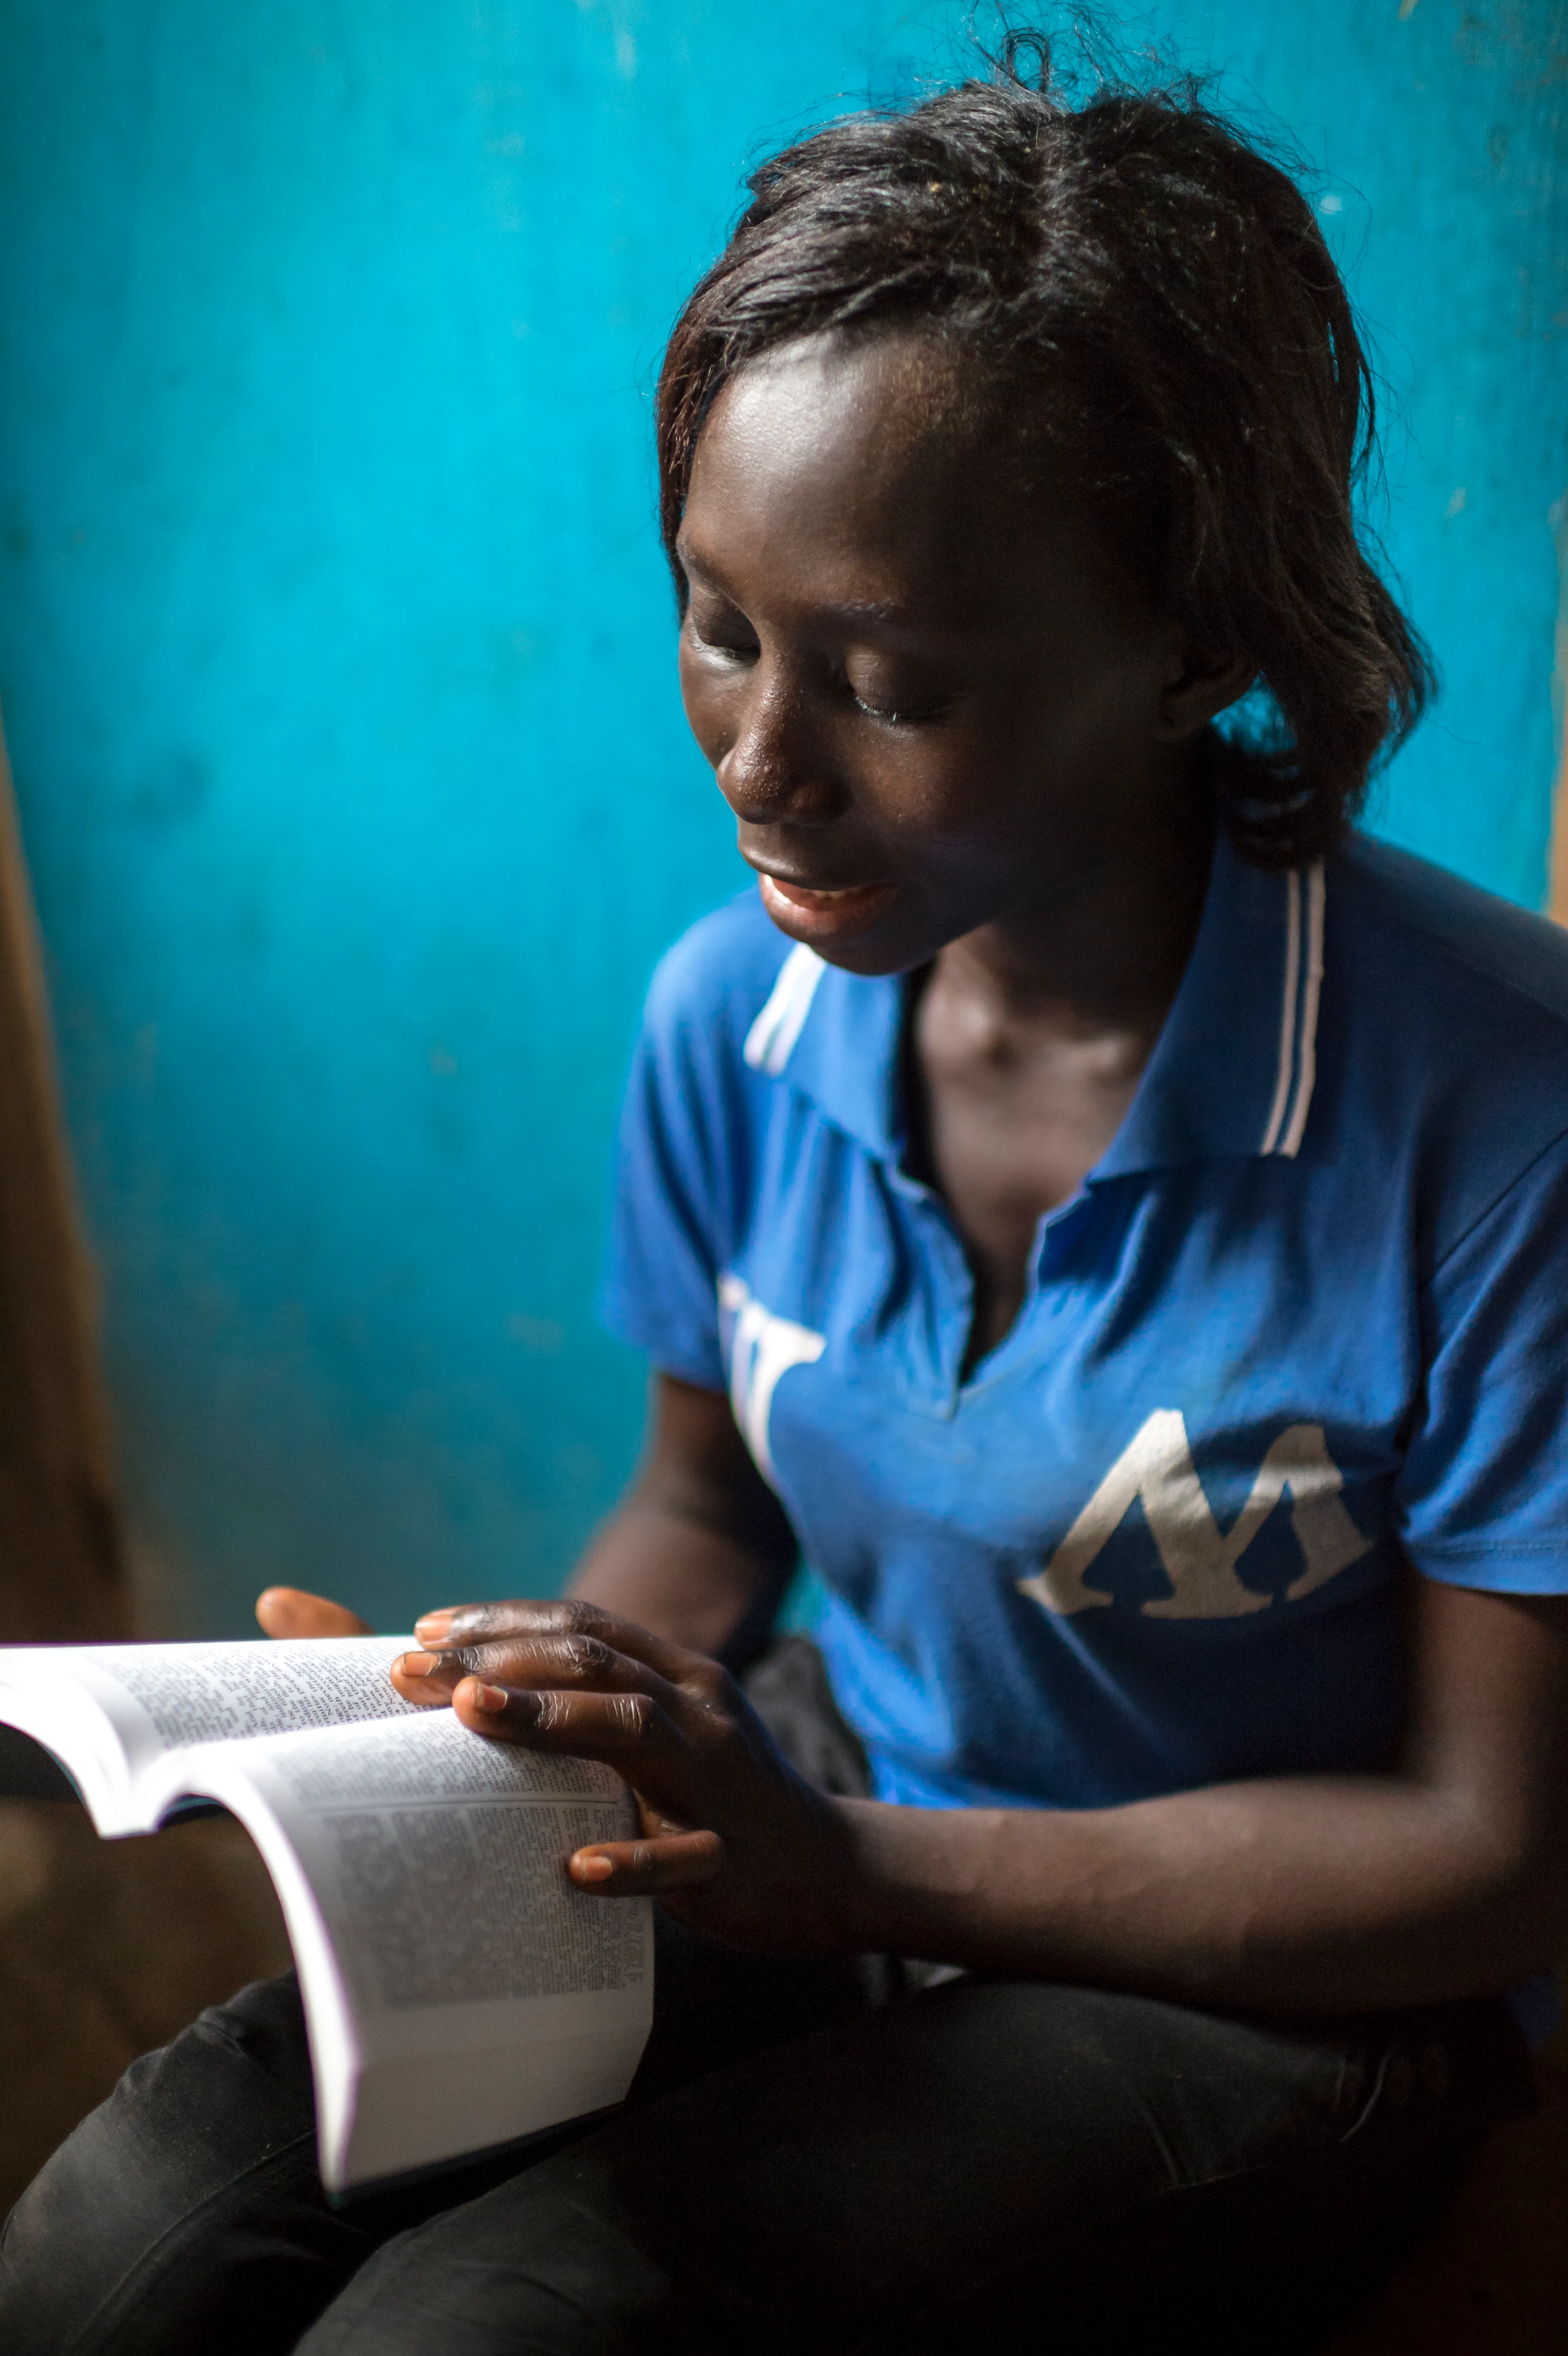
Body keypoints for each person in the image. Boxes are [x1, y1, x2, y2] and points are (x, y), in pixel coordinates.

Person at [5, 37, 1568, 2356]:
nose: (763, 756)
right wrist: (462, 1730)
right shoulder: (729, 1023)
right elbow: (708, 1522)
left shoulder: (1495, 1111)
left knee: (493, 2320)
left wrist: (847, 1867)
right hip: (847, 1830)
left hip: (1297, 1996)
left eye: (889, 683)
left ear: (1197, 648)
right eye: (722, 624)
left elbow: (1489, 1850)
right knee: (139, 2220)